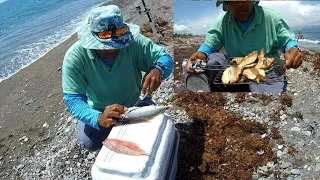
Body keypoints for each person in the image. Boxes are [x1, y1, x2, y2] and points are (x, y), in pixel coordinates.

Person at [62, 5, 173, 151]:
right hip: (98, 109)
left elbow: (165, 57)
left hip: (136, 103)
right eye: (106, 46)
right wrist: (98, 118)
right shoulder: (75, 57)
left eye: (118, 44)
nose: (113, 49)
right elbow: (73, 100)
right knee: (89, 143)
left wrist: (158, 68)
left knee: (153, 133)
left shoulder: (134, 41)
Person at [185, 0, 302, 92]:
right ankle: (202, 85)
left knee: (269, 96)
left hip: (265, 70)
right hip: (234, 65)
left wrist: (292, 49)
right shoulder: (223, 21)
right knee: (213, 59)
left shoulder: (271, 17)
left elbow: (287, 40)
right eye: (234, 0)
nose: (240, 3)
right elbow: (211, 44)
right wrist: (202, 53)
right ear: (227, 3)